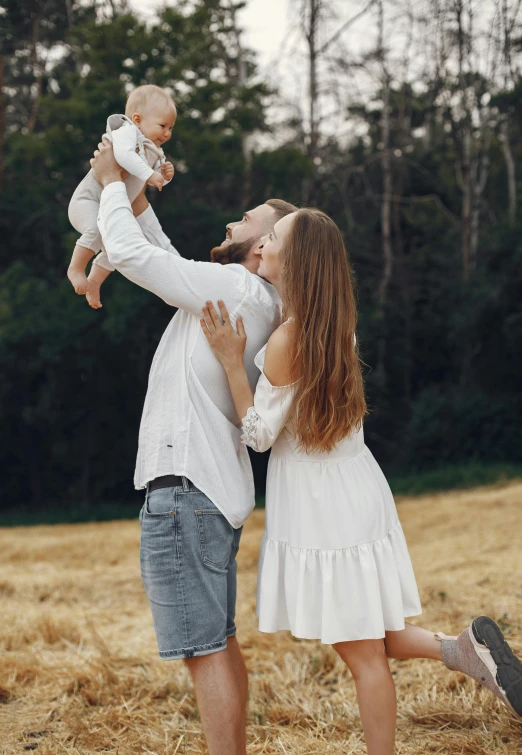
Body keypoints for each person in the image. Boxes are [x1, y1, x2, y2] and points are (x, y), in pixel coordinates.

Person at [200, 207, 522, 755]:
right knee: (367, 628)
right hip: (357, 490)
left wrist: (233, 364)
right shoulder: (334, 327)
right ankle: (466, 650)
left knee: (364, 657)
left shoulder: (285, 341)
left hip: (321, 506)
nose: (263, 245)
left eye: (272, 238)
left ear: (292, 260)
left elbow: (257, 435)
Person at [89, 137, 297, 755]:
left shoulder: (235, 289)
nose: (237, 217)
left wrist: (106, 181)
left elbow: (130, 253)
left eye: (252, 215)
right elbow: (163, 256)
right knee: (217, 643)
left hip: (185, 493)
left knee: (204, 652)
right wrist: (141, 188)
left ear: (262, 245)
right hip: (206, 494)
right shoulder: (247, 294)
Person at [67, 85, 176, 309]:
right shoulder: (126, 133)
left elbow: (153, 182)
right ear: (137, 119)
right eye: (162, 126)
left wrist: (164, 176)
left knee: (119, 243)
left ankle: (95, 280)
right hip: (88, 201)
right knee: (97, 231)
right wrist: (150, 173)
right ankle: (76, 268)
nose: (167, 133)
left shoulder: (153, 150)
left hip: (109, 206)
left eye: (171, 128)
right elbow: (124, 156)